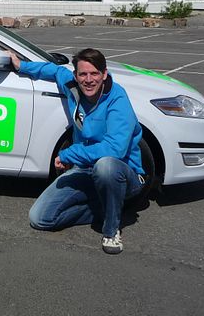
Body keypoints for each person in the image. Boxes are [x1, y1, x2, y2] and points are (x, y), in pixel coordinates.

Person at [9, 48, 145, 254]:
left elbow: (114, 149)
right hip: (85, 170)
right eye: (83, 74)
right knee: (40, 218)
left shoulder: (117, 98)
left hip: (125, 174)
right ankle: (107, 207)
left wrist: (68, 154)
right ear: (75, 76)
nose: (88, 80)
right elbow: (54, 70)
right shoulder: (72, 85)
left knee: (106, 165)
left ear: (104, 74)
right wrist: (21, 66)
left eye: (94, 74)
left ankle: (111, 229)